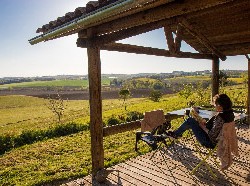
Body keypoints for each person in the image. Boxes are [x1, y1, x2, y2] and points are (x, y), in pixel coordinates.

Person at [166, 94, 235, 149]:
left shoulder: (221, 118)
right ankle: (176, 134)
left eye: (215, 105)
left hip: (210, 142)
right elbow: (216, 128)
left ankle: (176, 134)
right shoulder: (229, 114)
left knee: (190, 120)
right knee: (193, 121)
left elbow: (213, 135)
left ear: (220, 106)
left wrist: (203, 127)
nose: (214, 107)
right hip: (223, 141)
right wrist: (204, 124)